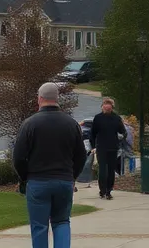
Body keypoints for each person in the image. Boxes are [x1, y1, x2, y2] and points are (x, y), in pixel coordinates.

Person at [12, 83, 87, 248]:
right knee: (62, 222)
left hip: (38, 181)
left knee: (39, 226)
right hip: (64, 181)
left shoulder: (30, 124)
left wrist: (24, 178)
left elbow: (18, 157)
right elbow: (81, 156)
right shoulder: (71, 124)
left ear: (40, 99)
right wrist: (73, 176)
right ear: (57, 99)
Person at [88, 98, 127, 200]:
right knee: (102, 170)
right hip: (101, 147)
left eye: (109, 106)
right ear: (102, 106)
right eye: (105, 105)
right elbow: (92, 134)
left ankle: (109, 191)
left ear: (112, 107)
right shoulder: (98, 118)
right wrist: (93, 147)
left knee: (111, 170)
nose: (107, 108)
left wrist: (121, 139)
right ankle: (102, 190)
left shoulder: (116, 118)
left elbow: (123, 132)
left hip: (113, 147)